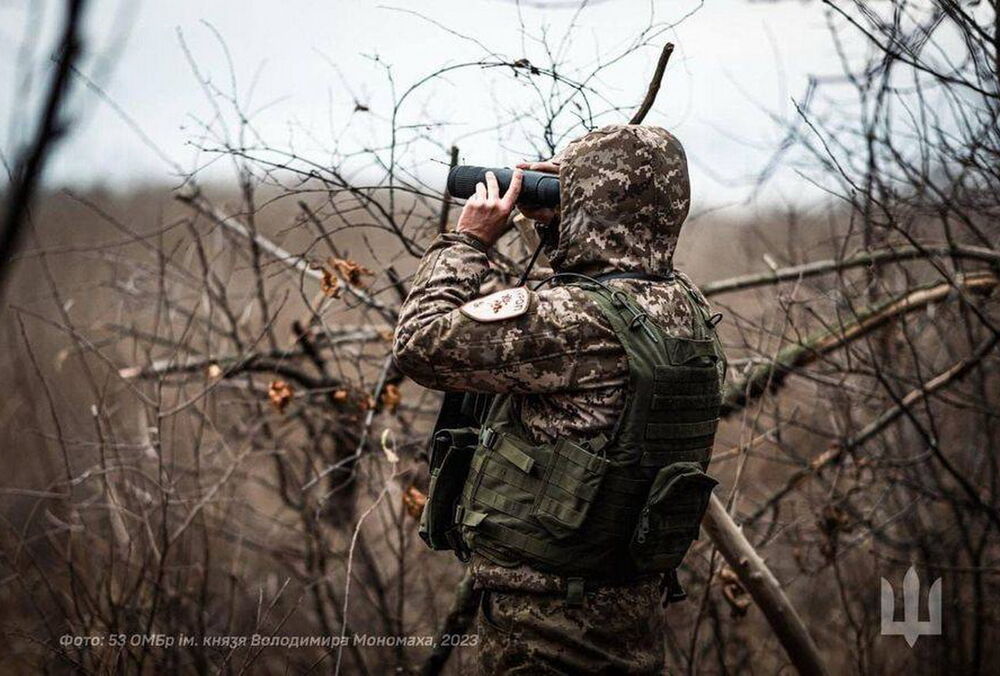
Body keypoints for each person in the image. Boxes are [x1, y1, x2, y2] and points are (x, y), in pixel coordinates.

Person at [393, 124, 725, 675]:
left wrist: (467, 242)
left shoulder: (579, 322)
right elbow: (599, 275)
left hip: (547, 626)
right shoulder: (679, 305)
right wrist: (561, 222)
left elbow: (420, 345)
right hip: (629, 609)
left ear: (592, 204)